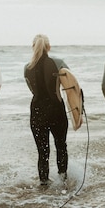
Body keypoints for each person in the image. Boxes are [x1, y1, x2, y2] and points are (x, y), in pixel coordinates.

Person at [24, 34, 69, 186]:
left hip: (37, 111)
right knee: (61, 146)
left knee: (43, 152)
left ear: (33, 47)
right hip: (56, 109)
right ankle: (63, 181)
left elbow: (32, 89)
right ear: (48, 47)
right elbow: (71, 86)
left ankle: (44, 184)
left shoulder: (27, 67)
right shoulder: (58, 63)